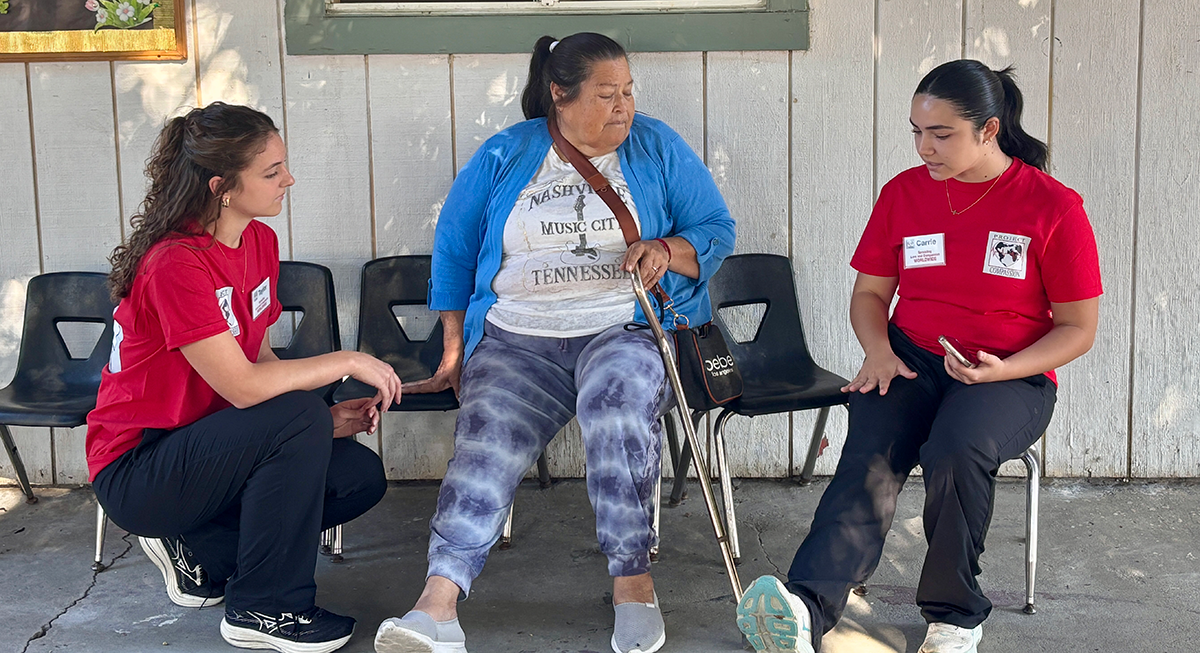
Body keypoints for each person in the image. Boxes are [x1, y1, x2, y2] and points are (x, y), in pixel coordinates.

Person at [372, 32, 735, 653]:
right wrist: (455, 348)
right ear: (559, 94)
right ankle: (437, 606)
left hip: (621, 328)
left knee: (619, 411)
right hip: (516, 339)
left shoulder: (655, 146)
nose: (623, 107)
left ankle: (633, 583)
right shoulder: (505, 153)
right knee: (484, 440)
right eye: (606, 94)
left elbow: (716, 228)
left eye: (628, 92)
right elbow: (455, 252)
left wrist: (665, 248)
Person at [736, 59, 1102, 653]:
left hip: (1011, 373)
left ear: (989, 129)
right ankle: (805, 608)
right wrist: (878, 351)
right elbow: (870, 295)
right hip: (910, 358)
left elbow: (1078, 329)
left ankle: (955, 616)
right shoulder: (904, 194)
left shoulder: (1052, 206)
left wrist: (1005, 368)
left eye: (941, 134)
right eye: (916, 131)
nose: (923, 147)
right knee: (871, 456)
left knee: (956, 449)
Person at [86, 102, 403, 653]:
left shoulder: (258, 242)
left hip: (208, 447)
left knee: (356, 475)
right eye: (272, 172)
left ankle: (200, 551)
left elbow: (259, 363)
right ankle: (264, 609)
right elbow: (243, 387)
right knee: (298, 413)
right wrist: (348, 361)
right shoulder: (175, 263)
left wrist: (318, 424)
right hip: (140, 466)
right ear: (222, 188)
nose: (289, 180)